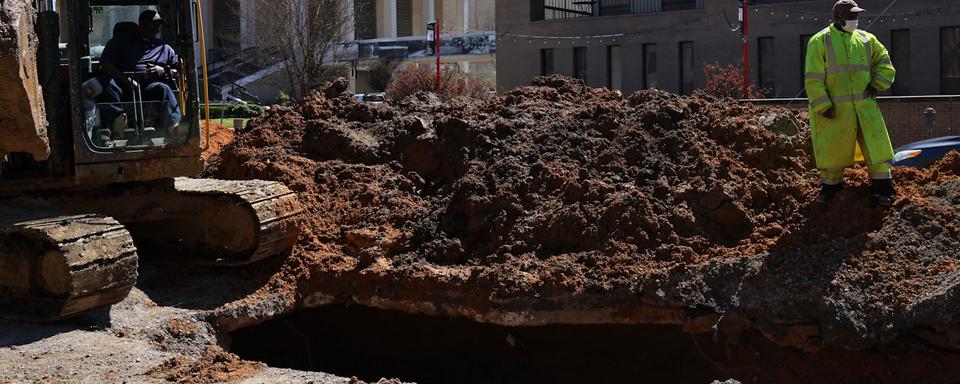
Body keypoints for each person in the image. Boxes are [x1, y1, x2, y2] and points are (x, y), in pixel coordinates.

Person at [804, 0, 897, 206]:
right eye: (850, 16)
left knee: (877, 151)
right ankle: (831, 190)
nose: (854, 20)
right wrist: (823, 106)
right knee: (833, 154)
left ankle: (883, 189)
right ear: (837, 17)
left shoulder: (867, 39)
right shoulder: (820, 41)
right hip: (835, 111)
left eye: (856, 16)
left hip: (865, 108)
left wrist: (878, 84)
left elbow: (884, 62)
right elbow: (813, 79)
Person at [98, 9, 181, 138]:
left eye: (158, 26)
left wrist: (164, 70)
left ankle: (174, 127)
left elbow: (179, 70)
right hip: (122, 86)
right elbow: (105, 65)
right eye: (152, 26)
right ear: (141, 25)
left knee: (163, 88)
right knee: (107, 83)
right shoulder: (120, 42)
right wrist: (125, 80)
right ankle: (118, 121)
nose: (156, 30)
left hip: (149, 88)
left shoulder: (164, 48)